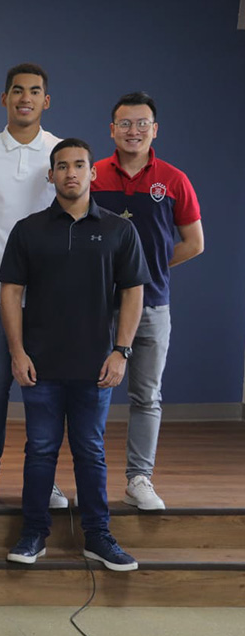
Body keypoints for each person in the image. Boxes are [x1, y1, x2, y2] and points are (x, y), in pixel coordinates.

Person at [0, 138, 150, 571]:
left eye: (79, 165)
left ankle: (97, 537)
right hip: (40, 365)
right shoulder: (28, 230)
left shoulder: (120, 230)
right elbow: (11, 291)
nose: (70, 173)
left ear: (92, 172)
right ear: (50, 175)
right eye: (61, 166)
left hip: (95, 366)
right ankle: (33, 533)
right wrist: (17, 351)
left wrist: (120, 352)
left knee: (90, 451)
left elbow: (133, 293)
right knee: (40, 450)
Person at [91, 92, 204, 511]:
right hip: (97, 306)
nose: (133, 131)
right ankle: (87, 473)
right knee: (89, 392)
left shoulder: (174, 179)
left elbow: (194, 242)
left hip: (153, 306)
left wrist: (146, 269)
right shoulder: (93, 175)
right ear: (112, 130)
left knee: (146, 396)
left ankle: (139, 478)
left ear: (154, 130)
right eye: (125, 123)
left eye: (142, 123)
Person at [0, 63, 65, 508]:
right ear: (4, 98)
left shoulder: (61, 153)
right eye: (17, 90)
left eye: (34, 91)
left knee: (46, 387)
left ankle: (45, 477)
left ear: (46, 100)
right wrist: (3, 272)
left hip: (50, 296)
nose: (25, 98)